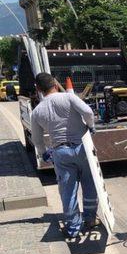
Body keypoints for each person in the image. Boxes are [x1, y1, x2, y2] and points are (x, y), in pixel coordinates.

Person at [30, 72, 98, 239]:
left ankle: (73, 227)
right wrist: (91, 126)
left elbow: (37, 139)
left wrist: (44, 153)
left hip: (60, 152)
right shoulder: (68, 98)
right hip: (83, 147)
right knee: (90, 183)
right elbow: (88, 112)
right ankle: (90, 219)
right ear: (54, 83)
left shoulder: (37, 111)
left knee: (68, 190)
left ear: (38, 88)